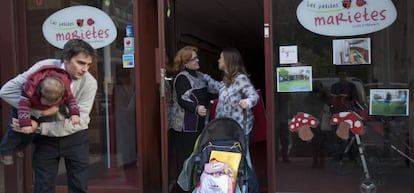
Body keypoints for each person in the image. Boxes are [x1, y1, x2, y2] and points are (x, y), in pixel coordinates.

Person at [0, 38, 97, 193]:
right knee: (43, 188)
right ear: (66, 59)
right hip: (45, 141)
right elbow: (7, 92)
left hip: (75, 138)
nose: (85, 69)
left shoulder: (90, 83)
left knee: (79, 187)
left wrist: (39, 126)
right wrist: (39, 112)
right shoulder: (43, 69)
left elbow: (81, 119)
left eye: (88, 64)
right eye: (80, 63)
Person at [203, 48, 259, 193]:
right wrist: (203, 77)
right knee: (230, 160)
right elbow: (218, 88)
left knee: (245, 163)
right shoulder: (227, 80)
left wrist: (246, 102)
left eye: (221, 58)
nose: (218, 60)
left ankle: (253, 189)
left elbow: (254, 96)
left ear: (228, 61)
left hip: (240, 128)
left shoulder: (241, 79)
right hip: (226, 129)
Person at [0, 66, 80, 165]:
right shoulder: (30, 91)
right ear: (40, 93)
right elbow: (23, 107)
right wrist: (25, 123)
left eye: (53, 102)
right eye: (46, 102)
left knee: (31, 133)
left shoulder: (65, 91)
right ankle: (5, 151)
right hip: (21, 110)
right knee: (15, 132)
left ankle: (20, 147)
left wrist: (75, 113)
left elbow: (71, 101)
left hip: (38, 110)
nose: (49, 105)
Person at [171, 46, 216, 193]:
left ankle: (196, 188)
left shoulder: (201, 75)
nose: (197, 60)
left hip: (200, 125)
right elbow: (182, 100)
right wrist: (196, 109)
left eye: (197, 57)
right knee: (186, 160)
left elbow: (210, 92)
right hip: (185, 127)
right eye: (193, 59)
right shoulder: (182, 78)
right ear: (185, 63)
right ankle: (183, 189)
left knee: (198, 159)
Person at [303, 80, 329, 168]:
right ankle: (316, 161)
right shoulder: (310, 95)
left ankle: (321, 162)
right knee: (315, 143)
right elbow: (305, 106)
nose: (316, 87)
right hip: (314, 120)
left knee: (321, 143)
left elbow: (329, 103)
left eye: (317, 85)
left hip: (321, 121)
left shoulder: (323, 95)